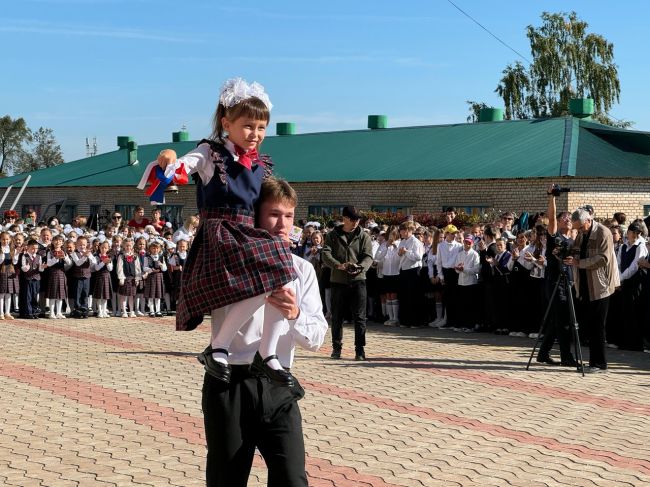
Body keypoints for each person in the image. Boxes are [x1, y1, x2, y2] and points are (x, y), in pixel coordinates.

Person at [147, 77, 296, 385]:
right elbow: (183, 167)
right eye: (248, 126)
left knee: (282, 275)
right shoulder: (210, 153)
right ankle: (218, 347)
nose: (255, 134)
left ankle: (267, 353)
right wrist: (170, 158)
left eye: (261, 128)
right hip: (222, 233)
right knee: (267, 276)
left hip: (249, 234)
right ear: (226, 123)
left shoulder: (261, 165)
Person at [199, 177, 327, 487]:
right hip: (231, 384)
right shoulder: (227, 261)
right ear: (254, 216)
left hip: (278, 385)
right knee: (226, 480)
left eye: (288, 216)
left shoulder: (302, 269)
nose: (282, 224)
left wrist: (294, 314)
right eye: (273, 214)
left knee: (292, 479)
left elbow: (317, 338)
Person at [564, 208, 620, 373]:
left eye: (581, 227)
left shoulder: (604, 233)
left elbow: (603, 259)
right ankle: (592, 362)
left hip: (600, 286)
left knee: (598, 326)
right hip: (584, 285)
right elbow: (575, 250)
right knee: (589, 325)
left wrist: (578, 263)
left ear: (588, 220)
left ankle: (600, 364)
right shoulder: (581, 233)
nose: (579, 231)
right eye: (577, 229)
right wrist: (564, 253)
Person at [321, 205, 374, 360]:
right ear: (344, 219)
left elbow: (368, 256)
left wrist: (361, 267)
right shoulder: (333, 235)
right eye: (352, 219)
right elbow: (325, 253)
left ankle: (360, 350)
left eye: (357, 219)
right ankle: (336, 348)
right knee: (337, 316)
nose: (356, 222)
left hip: (358, 280)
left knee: (360, 317)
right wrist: (338, 265)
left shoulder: (363, 236)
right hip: (338, 280)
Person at [535, 185, 577, 366]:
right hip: (555, 282)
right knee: (564, 321)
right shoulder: (555, 236)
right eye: (564, 217)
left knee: (556, 320)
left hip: (568, 281)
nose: (567, 219)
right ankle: (566, 357)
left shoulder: (572, 239)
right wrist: (552, 197)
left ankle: (543, 354)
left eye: (569, 217)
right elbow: (551, 217)